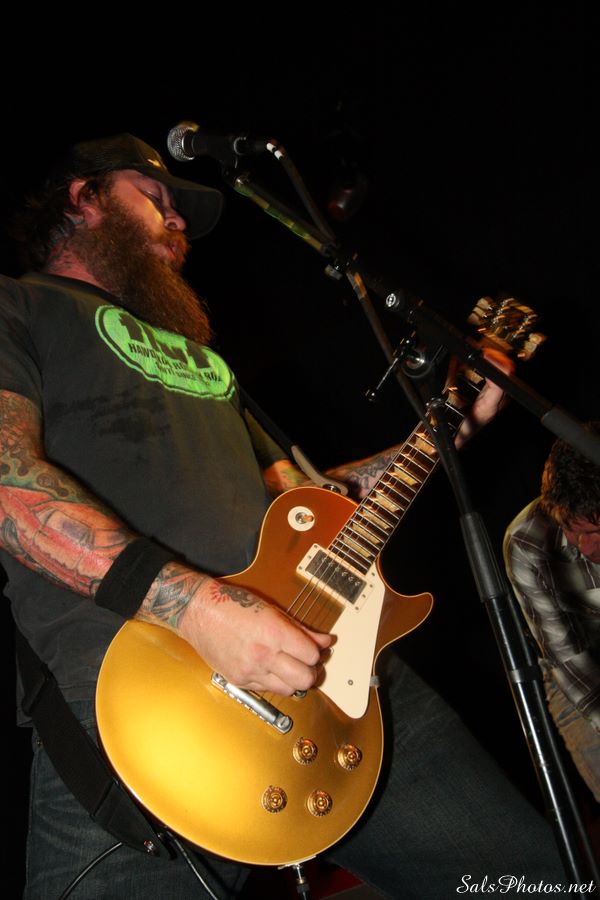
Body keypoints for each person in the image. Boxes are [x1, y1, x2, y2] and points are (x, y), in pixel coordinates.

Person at [0, 134, 564, 899]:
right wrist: (196, 607)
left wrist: (448, 429)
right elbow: (9, 480)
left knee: (533, 883)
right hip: (133, 703)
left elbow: (310, 498)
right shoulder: (19, 307)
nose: (177, 221)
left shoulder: (205, 362)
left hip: (340, 678)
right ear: (84, 197)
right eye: (156, 198)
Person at [504, 426, 600, 803]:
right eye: (573, 531)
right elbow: (568, 657)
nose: (586, 548)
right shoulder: (528, 543)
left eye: (596, 531)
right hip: (578, 675)